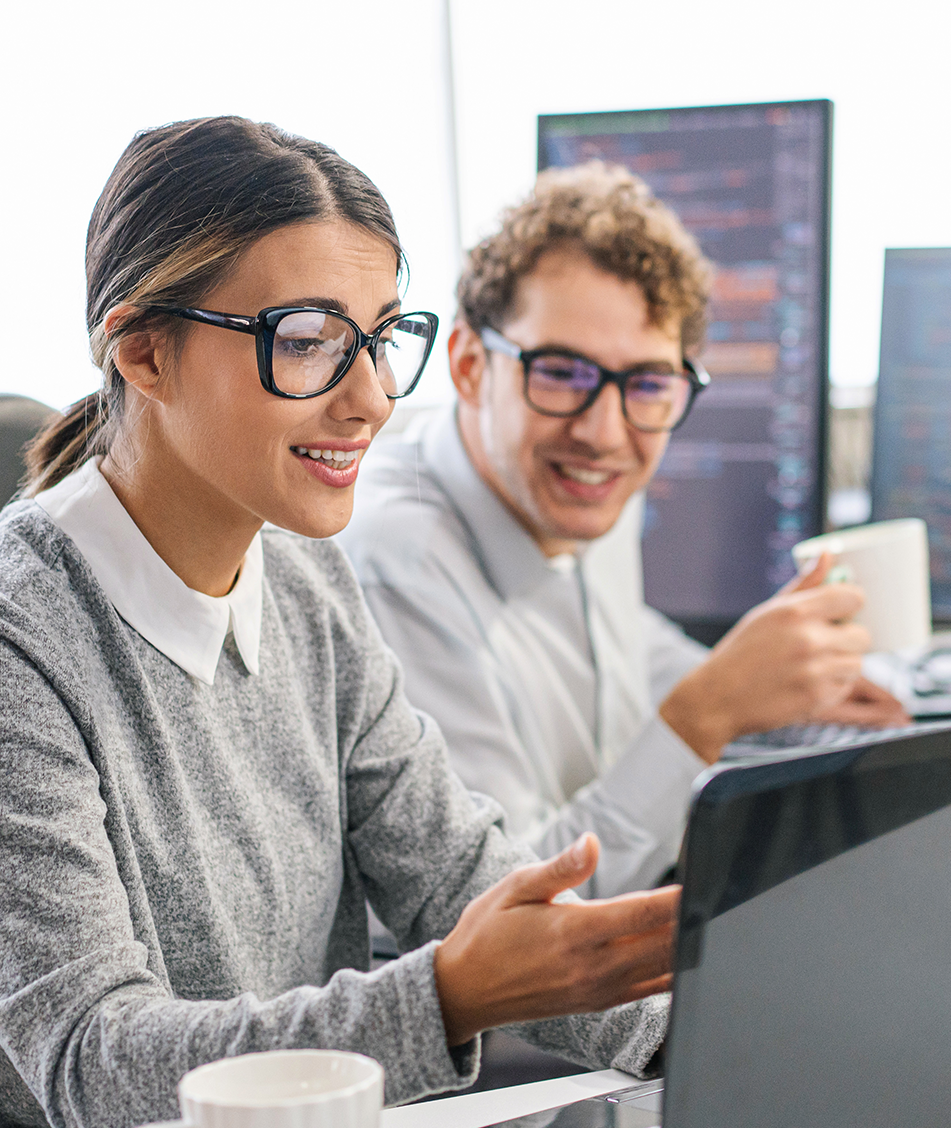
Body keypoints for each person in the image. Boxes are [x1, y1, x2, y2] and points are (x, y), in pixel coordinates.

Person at [0, 117, 676, 1128]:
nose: (369, 396)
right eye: (310, 338)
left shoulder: (308, 585)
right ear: (141, 348)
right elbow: (97, 1066)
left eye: (379, 338)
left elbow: (459, 875)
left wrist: (700, 1032)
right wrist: (449, 996)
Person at [341, 163, 906, 899]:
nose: (603, 432)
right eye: (561, 373)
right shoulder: (400, 563)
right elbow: (515, 911)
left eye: (647, 384)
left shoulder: (575, 484)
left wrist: (777, 683)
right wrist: (709, 712)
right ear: (471, 365)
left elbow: (614, 643)